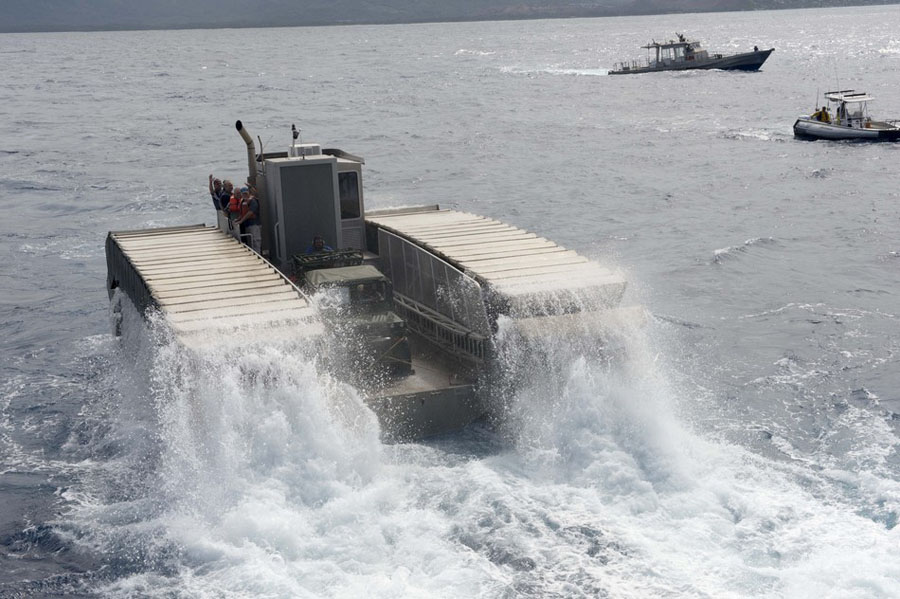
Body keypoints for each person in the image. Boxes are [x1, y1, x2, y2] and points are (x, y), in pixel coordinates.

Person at [234, 187, 262, 253]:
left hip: (254, 225)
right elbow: (242, 214)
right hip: (247, 225)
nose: (244, 195)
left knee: (256, 242)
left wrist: (241, 221)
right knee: (250, 243)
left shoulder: (253, 201)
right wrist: (238, 219)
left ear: (248, 193)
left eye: (246, 193)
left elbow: (250, 213)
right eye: (243, 193)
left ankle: (258, 256)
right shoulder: (242, 201)